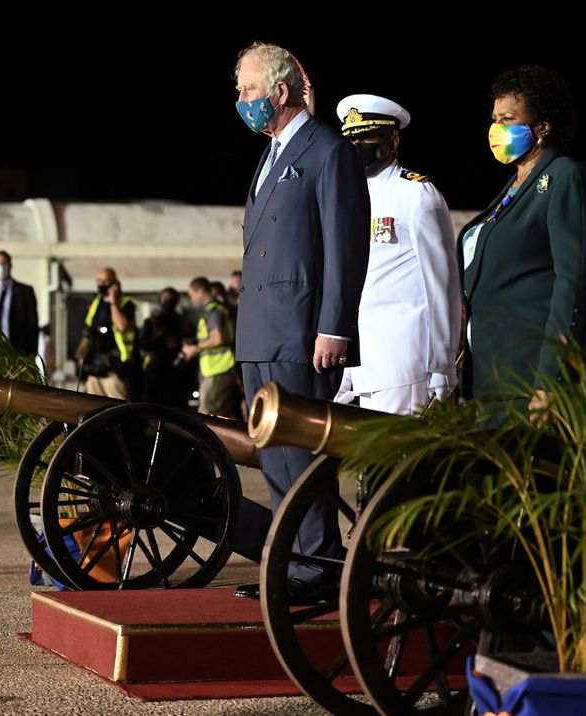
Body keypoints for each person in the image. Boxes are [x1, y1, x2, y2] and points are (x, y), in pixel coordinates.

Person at [231, 42, 369, 605]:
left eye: (248, 89)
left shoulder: (327, 150)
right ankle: (296, 564)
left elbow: (344, 246)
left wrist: (334, 327)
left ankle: (319, 569)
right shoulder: (271, 154)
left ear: (280, 91)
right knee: (275, 459)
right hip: (260, 330)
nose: (241, 99)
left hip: (300, 329)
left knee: (300, 456)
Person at [459, 65, 586, 407]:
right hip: (493, 377)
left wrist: (551, 378)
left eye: (508, 119)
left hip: (530, 380)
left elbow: (572, 286)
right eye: (495, 119)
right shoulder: (514, 186)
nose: (497, 128)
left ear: (542, 127)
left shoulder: (564, 178)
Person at [333, 93, 461, 414]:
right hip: (360, 363)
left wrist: (443, 361)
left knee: (397, 446)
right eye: (351, 140)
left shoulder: (415, 194)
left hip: (403, 360)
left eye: (366, 138)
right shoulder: (348, 197)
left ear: (392, 141)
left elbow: (442, 286)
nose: (357, 147)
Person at [181, 277, 241, 420]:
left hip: (219, 369)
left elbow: (217, 338)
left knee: (207, 415)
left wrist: (194, 348)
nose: (191, 298)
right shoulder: (212, 310)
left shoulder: (214, 311)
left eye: (192, 294)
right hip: (216, 370)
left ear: (201, 291)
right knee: (222, 415)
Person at [74, 267, 137, 400]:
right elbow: (88, 331)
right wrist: (80, 353)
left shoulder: (126, 303)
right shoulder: (96, 303)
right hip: (94, 365)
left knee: (117, 405)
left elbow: (122, 326)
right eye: (99, 281)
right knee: (93, 405)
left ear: (115, 282)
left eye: (106, 281)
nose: (101, 284)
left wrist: (113, 303)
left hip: (115, 367)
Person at [139, 287, 192, 409]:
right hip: (155, 368)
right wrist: (157, 336)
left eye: (171, 298)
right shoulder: (152, 321)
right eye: (166, 298)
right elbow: (143, 344)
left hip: (178, 369)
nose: (169, 301)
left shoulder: (183, 322)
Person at [0, 250, 39, 356]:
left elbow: (32, 323)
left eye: (4, 263)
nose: (1, 267)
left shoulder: (25, 291)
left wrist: (33, 352)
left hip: (18, 350)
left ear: (10, 265)